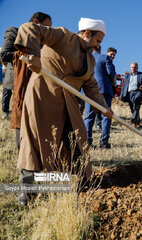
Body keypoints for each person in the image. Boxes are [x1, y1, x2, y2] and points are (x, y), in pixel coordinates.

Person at [14, 17, 113, 206]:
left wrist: (104, 107)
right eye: (98, 40)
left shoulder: (90, 60)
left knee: (78, 138)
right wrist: (34, 55)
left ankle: (85, 181)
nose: (98, 45)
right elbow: (29, 28)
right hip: (42, 97)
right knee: (34, 142)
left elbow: (91, 87)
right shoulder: (62, 36)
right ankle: (27, 192)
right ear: (86, 34)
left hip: (67, 103)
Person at [9, 12, 52, 150]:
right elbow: (5, 54)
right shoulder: (18, 38)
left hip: (39, 91)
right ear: (35, 22)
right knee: (22, 122)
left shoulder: (44, 46)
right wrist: (29, 55)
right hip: (23, 88)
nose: (47, 31)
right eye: (45, 27)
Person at [84, 46, 116, 148]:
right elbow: (111, 73)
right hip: (103, 89)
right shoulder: (105, 58)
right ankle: (104, 142)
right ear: (100, 49)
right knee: (106, 116)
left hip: (88, 90)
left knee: (89, 116)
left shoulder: (85, 58)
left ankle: (87, 141)